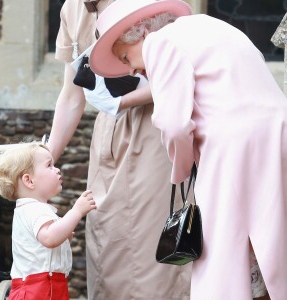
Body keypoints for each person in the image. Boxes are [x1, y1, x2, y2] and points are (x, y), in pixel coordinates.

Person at [89, 0, 287, 299]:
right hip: (277, 137)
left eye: (125, 56)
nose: (132, 69)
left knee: (224, 251)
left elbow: (174, 123)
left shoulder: (159, 42)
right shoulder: (213, 26)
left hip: (231, 150)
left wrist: (182, 167)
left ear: (140, 32)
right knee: (272, 238)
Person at [47, 0, 192, 299]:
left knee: (154, 249)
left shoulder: (153, 4)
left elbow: (184, 70)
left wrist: (120, 102)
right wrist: (44, 158)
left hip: (157, 130)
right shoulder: (72, 8)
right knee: (107, 242)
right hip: (107, 139)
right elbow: (72, 96)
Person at [0, 141, 96, 300]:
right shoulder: (33, 209)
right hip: (37, 290)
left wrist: (64, 232)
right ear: (29, 181)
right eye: (49, 165)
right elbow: (50, 238)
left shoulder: (33, 209)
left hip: (49, 286)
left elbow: (48, 241)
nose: (57, 169)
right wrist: (76, 211)